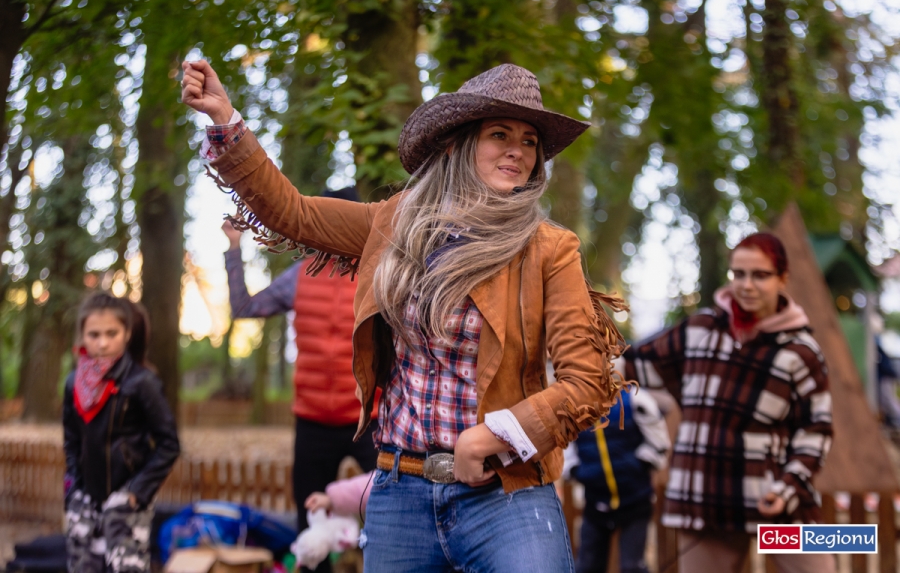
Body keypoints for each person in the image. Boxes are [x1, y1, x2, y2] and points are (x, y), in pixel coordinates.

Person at [180, 59, 626, 572]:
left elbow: (587, 381)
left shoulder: (549, 248)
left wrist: (493, 435)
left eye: (529, 141)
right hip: (400, 491)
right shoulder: (396, 224)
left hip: (508, 494)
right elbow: (293, 213)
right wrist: (224, 118)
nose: (517, 151)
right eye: (499, 134)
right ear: (457, 142)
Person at [622, 233, 834, 573]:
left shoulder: (802, 351)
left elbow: (817, 431)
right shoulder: (701, 329)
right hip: (705, 501)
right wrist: (570, 357)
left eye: (760, 275)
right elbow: (632, 365)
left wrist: (788, 488)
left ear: (783, 278)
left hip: (774, 504)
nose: (747, 285)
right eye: (739, 274)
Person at [221, 185, 377, 573]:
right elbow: (245, 308)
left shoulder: (379, 275)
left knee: (388, 515)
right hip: (313, 423)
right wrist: (233, 248)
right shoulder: (300, 276)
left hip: (369, 421)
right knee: (310, 528)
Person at [63, 292, 180, 573]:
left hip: (127, 502)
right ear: (82, 335)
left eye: (111, 333)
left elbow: (169, 445)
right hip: (86, 499)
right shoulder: (73, 384)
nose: (102, 343)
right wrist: (75, 490)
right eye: (93, 335)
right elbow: (72, 441)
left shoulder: (142, 383)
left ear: (127, 333)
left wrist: (136, 493)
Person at [564, 389, 670, 573]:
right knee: (587, 565)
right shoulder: (574, 408)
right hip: (595, 501)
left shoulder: (635, 400)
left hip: (635, 499)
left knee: (632, 566)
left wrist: (638, 466)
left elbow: (659, 443)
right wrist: (579, 472)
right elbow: (564, 450)